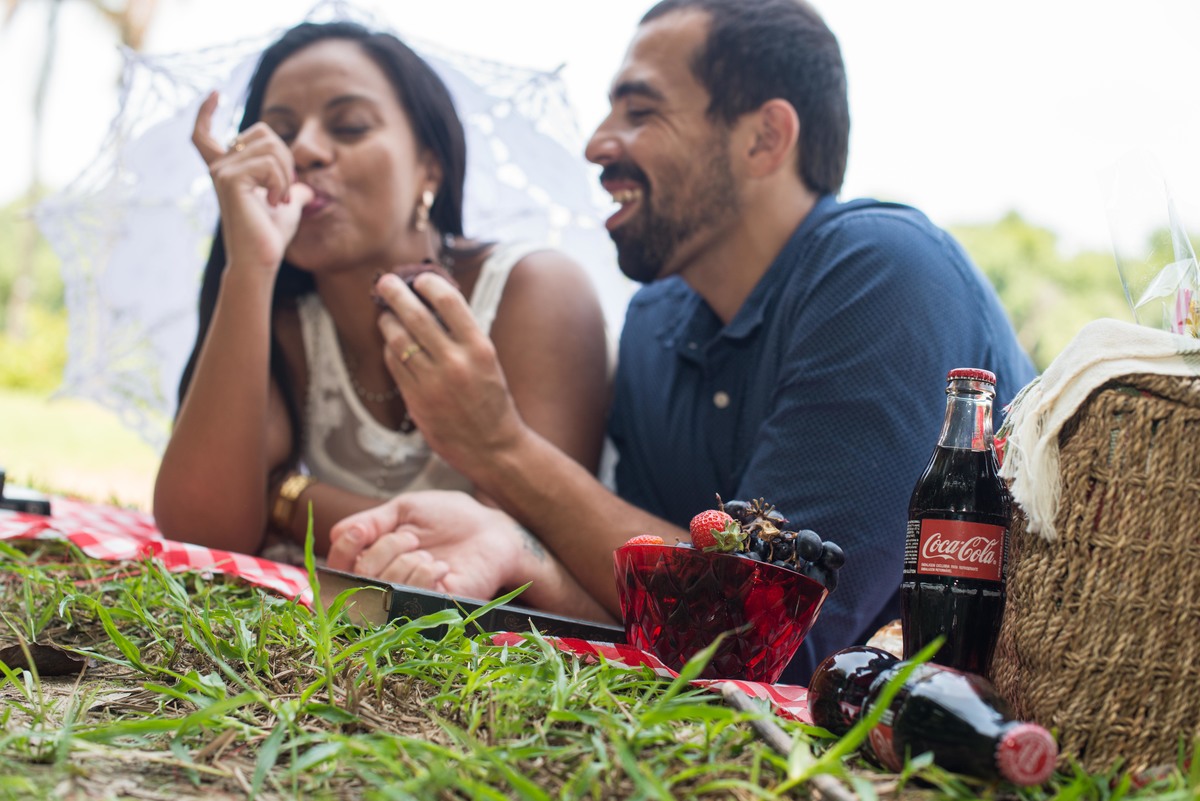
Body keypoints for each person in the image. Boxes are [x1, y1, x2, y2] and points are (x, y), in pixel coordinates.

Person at [327, 0, 1037, 682]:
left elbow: (783, 654)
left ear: (764, 138)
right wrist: (519, 554)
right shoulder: (656, 318)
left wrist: (499, 446)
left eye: (641, 112)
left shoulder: (882, 273)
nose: (597, 144)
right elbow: (666, 633)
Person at [151, 20, 610, 618]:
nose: (305, 150)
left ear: (430, 168)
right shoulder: (286, 320)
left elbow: (515, 547)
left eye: (349, 127)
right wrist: (251, 267)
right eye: (280, 132)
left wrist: (285, 498)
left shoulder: (534, 289)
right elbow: (201, 530)